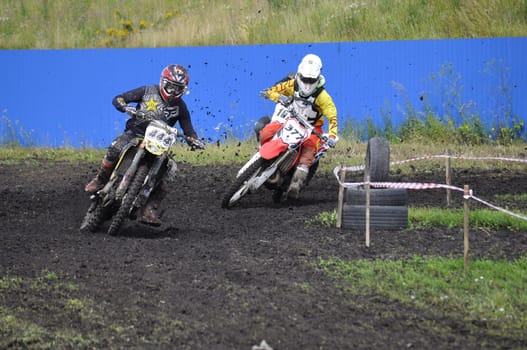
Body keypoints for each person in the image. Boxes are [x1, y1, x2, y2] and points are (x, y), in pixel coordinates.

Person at [85, 64, 205, 225]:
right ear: (163, 82)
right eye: (170, 87)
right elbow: (119, 98)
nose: (173, 92)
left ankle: (150, 208)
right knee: (115, 147)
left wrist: (194, 139)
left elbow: (188, 129)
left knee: (171, 170)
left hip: (160, 144)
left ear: (183, 90)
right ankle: (100, 178)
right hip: (135, 133)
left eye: (178, 89)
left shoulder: (180, 107)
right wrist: (123, 105)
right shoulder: (148, 91)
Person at [257, 54, 338, 199]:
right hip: (289, 119)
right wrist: (276, 96)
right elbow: (273, 90)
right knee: (266, 132)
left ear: (318, 77)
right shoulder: (291, 84)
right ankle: (262, 159)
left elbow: (332, 117)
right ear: (299, 74)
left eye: (311, 80)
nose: (307, 83)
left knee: (308, 153)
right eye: (305, 79)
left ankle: (295, 185)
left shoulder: (323, 96)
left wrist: (331, 136)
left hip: (311, 128)